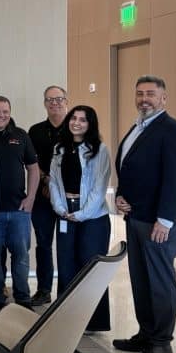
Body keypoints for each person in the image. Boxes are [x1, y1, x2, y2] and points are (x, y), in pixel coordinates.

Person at [113, 76, 176, 353]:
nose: (144, 98)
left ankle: (161, 343)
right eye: (140, 94)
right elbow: (130, 168)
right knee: (141, 280)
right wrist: (121, 195)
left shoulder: (173, 130)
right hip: (137, 217)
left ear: (163, 98)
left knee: (159, 283)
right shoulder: (139, 127)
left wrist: (165, 221)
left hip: (159, 223)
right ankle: (146, 334)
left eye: (150, 94)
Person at [49, 105, 112, 331]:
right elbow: (54, 181)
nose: (77, 123)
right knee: (66, 265)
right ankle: (65, 320)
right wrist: (59, 207)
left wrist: (82, 214)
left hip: (93, 216)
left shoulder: (99, 150)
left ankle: (93, 322)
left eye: (83, 120)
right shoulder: (59, 149)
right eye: (73, 118)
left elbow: (99, 186)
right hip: (65, 212)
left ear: (90, 124)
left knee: (90, 266)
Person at [0, 96, 40, 313]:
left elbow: (34, 168)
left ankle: (23, 300)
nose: (1, 115)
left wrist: (31, 198)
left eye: (5, 111)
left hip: (19, 211)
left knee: (21, 257)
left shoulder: (21, 135)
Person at [27, 85, 69, 306]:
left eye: (59, 99)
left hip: (67, 200)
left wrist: (58, 186)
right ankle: (43, 290)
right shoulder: (35, 131)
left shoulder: (76, 128)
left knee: (66, 245)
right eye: (50, 100)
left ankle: (66, 291)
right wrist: (46, 181)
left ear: (66, 101)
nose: (55, 103)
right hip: (42, 199)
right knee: (43, 244)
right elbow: (31, 163)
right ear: (44, 103)